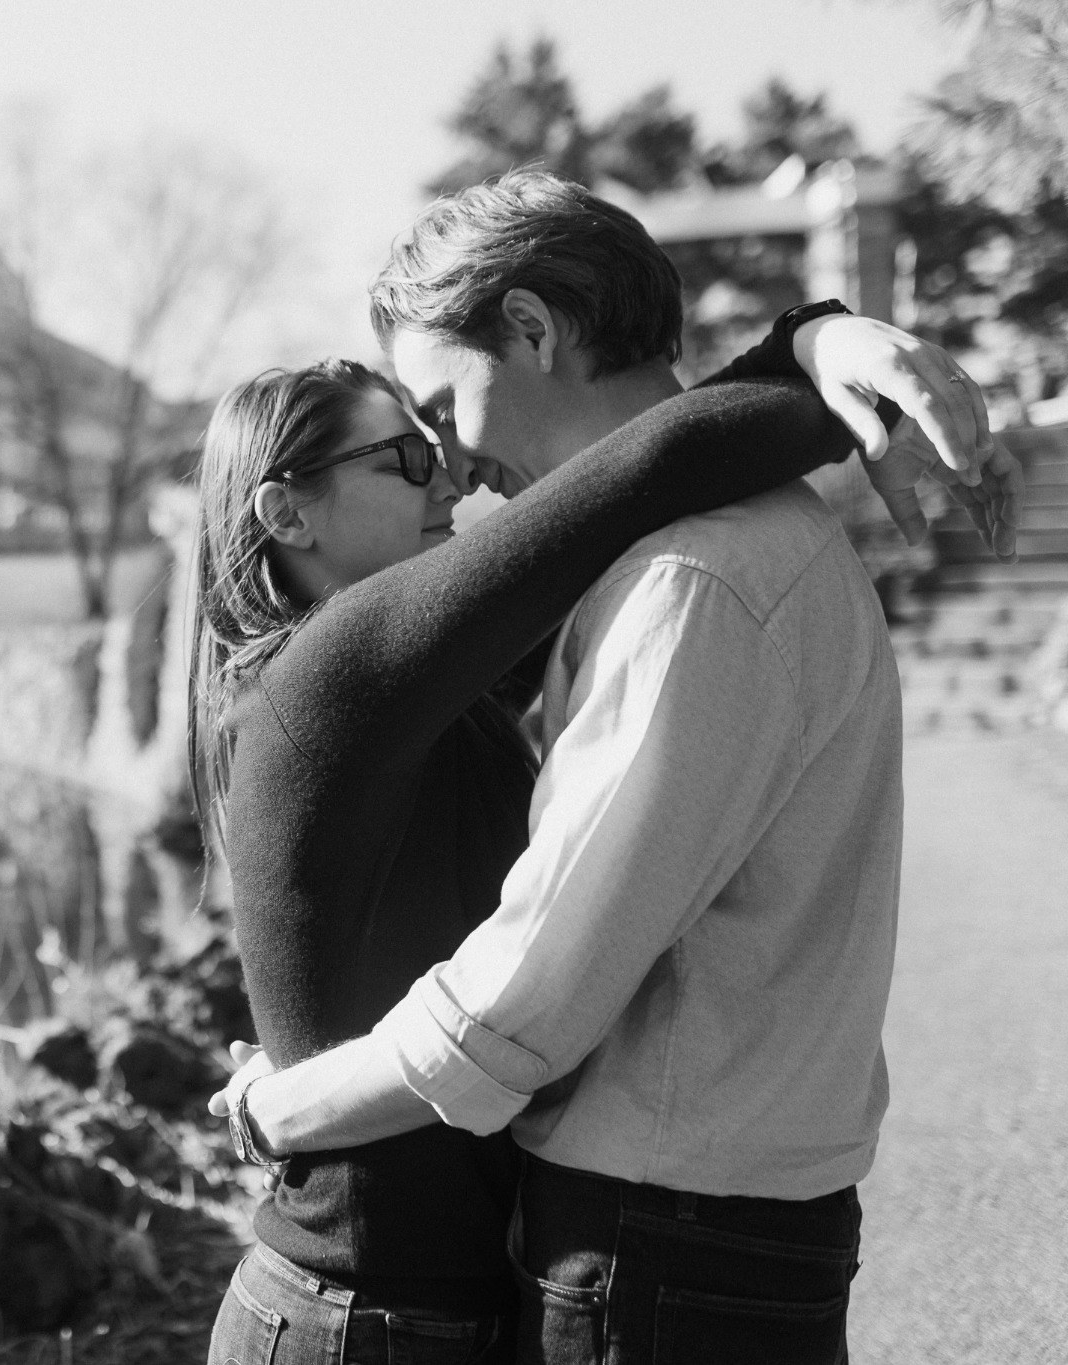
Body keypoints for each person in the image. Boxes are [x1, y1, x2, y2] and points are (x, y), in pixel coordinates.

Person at [197, 171, 1020, 1365]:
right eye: (407, 454)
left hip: (650, 1242)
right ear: (284, 515)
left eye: (437, 419)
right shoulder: (333, 678)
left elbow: (640, 473)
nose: (450, 472)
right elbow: (639, 469)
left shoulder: (666, 588)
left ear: (528, 329)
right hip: (372, 1295)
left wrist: (823, 352)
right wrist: (821, 356)